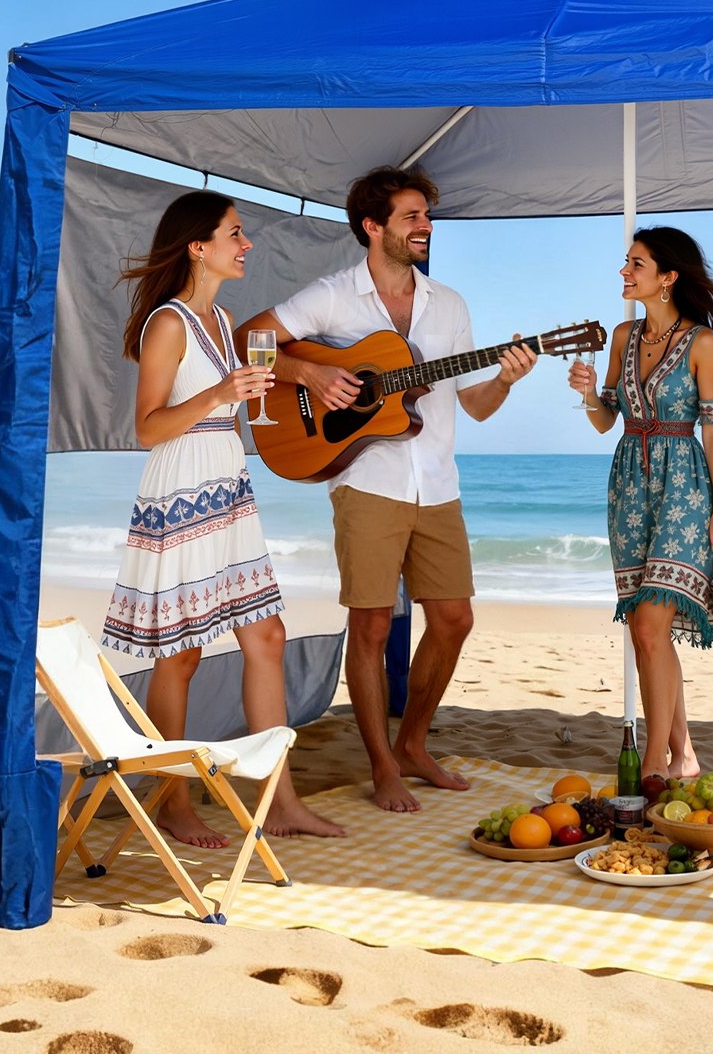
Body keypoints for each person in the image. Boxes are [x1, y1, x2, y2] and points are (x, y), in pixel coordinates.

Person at [239, 167, 537, 812]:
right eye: (411, 216)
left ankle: (413, 743)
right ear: (373, 228)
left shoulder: (449, 305)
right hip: (366, 481)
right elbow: (251, 339)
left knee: (454, 618)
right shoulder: (334, 296)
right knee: (371, 625)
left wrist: (508, 378)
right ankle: (382, 764)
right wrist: (311, 378)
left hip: (437, 484)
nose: (425, 225)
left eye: (426, 215)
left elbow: (476, 405)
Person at [103, 189, 344, 843]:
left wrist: (249, 397)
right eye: (235, 233)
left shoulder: (222, 321)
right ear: (197, 246)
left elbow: (229, 409)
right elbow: (148, 428)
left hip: (227, 488)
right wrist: (219, 392)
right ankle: (173, 801)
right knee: (178, 659)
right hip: (180, 490)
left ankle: (280, 801)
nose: (247, 244)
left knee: (265, 638)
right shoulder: (169, 324)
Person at [569, 227, 713, 783]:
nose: (625, 272)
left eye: (636, 264)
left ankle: (652, 766)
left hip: (684, 488)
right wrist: (586, 397)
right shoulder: (623, 336)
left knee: (652, 626)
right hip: (628, 484)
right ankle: (685, 755)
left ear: (668, 277)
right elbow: (607, 421)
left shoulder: (702, 343)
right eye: (627, 263)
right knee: (646, 633)